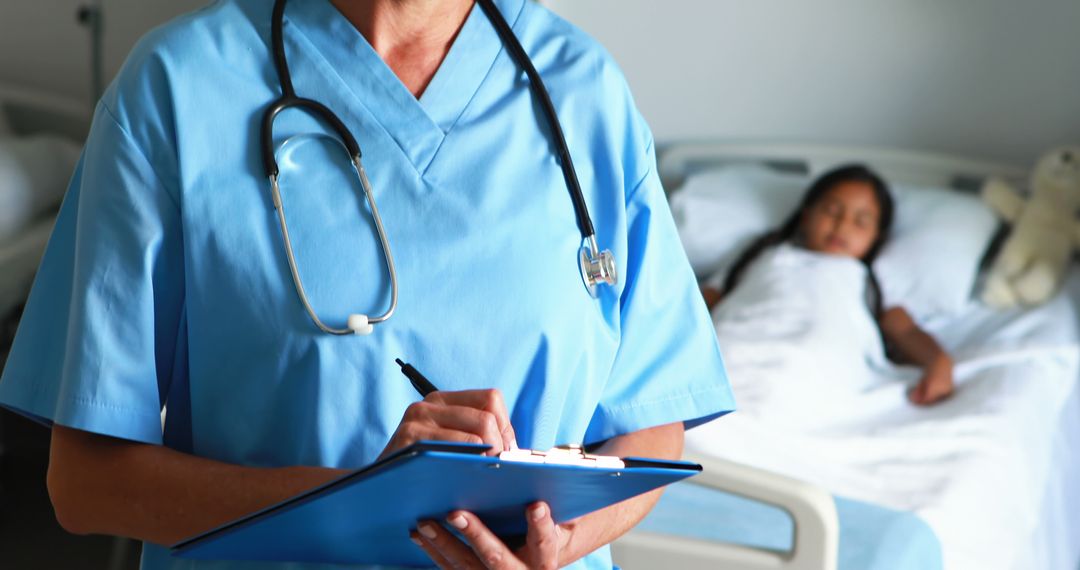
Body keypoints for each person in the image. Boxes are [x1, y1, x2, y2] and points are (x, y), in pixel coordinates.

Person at [0, 1, 735, 569]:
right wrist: (363, 501)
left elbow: (652, 423)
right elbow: (85, 483)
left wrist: (558, 538)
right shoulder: (177, 88)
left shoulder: (580, 89)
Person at [699, 164, 954, 406]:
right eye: (832, 211)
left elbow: (906, 331)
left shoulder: (869, 280)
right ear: (806, 214)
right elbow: (701, 301)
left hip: (821, 365)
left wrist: (939, 364)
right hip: (739, 348)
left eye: (861, 221)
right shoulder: (762, 256)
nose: (842, 226)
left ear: (877, 236)